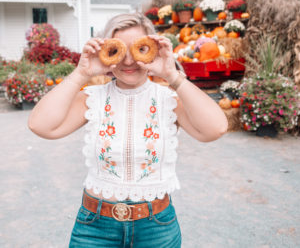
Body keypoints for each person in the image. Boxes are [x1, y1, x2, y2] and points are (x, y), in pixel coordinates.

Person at [28, 13, 228, 247]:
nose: (129, 61)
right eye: (119, 50)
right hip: (95, 227)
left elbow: (216, 128)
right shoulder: (92, 98)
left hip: (157, 227)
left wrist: (172, 74)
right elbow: (40, 125)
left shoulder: (170, 99)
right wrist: (80, 74)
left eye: (138, 50)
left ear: (152, 48)